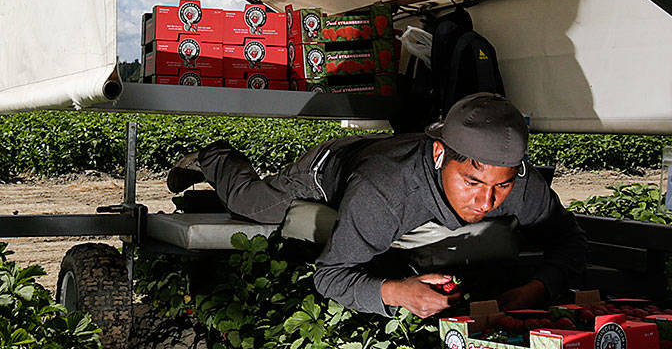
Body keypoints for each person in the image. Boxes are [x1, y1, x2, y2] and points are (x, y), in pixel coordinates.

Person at [168, 93, 589, 318]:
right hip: (333, 167)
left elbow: (571, 241)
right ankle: (214, 157)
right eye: (472, 182)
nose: (484, 201)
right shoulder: (383, 193)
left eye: (501, 187)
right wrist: (395, 292)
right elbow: (329, 277)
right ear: (441, 154)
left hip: (388, 162)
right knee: (250, 203)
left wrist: (537, 289)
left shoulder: (522, 186)